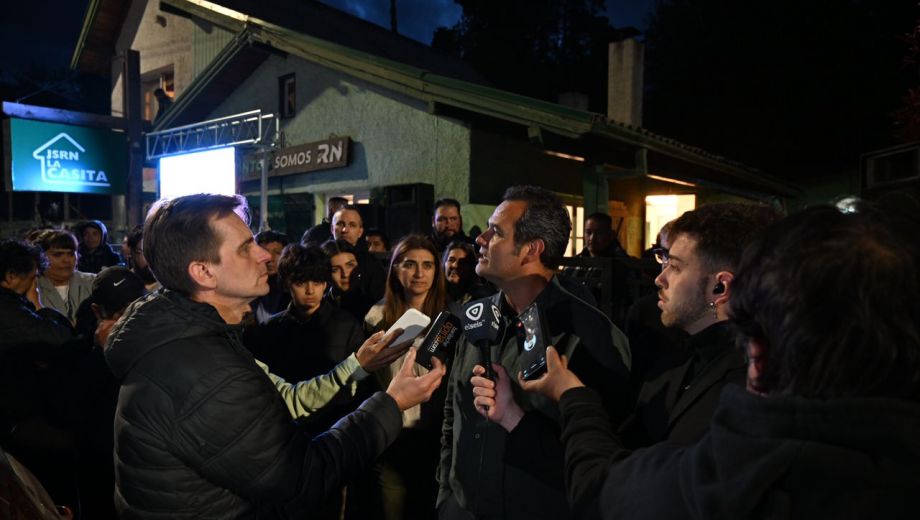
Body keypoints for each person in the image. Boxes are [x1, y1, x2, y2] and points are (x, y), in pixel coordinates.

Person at [517, 200, 920, 519]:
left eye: (673, 265)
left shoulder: (733, 472)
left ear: (758, 354)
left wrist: (573, 396)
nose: (658, 278)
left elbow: (603, 492)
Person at [104, 193, 446, 517]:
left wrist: (359, 364)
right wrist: (391, 403)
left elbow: (286, 399)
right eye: (244, 248)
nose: (266, 255)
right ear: (203, 272)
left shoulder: (201, 340)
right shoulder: (204, 372)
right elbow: (303, 478)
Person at [437, 186, 631, 520]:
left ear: (531, 250)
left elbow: (600, 459)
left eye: (495, 232)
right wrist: (447, 495)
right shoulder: (475, 316)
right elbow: (453, 414)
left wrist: (518, 419)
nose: (480, 239)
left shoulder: (592, 337)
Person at [360, 235, 450, 520]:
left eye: (427, 265)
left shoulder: (450, 319)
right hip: (393, 434)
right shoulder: (376, 317)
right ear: (395, 269)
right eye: (410, 264)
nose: (419, 273)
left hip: (437, 436)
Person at [244, 243, 367, 433]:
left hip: (334, 424)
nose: (310, 291)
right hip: (284, 425)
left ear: (325, 283)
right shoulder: (269, 329)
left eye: (317, 282)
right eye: (301, 283)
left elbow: (357, 384)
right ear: (287, 284)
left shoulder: (347, 324)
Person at [0, 238, 79, 508]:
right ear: (11, 277)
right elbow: (59, 338)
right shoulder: (9, 311)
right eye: (32, 278)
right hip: (15, 423)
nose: (34, 285)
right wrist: (39, 306)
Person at [33, 230, 95, 324]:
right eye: (58, 255)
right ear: (41, 257)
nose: (66, 260)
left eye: (71, 254)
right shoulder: (33, 287)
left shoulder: (93, 282)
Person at [250, 229, 291, 322]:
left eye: (277, 253)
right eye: (264, 252)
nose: (270, 258)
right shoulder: (246, 289)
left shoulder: (292, 291)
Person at [442, 240, 492, 304]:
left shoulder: (482, 299)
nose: (455, 265)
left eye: (462, 262)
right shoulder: (433, 294)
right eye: (451, 260)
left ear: (470, 267)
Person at [123, 225, 159, 291]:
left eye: (153, 251)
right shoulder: (125, 283)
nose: (149, 257)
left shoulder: (168, 285)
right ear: (132, 252)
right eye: (143, 251)